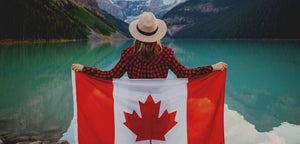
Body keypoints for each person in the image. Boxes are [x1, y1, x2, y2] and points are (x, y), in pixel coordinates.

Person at [72, 12, 227, 78]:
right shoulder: (166, 53)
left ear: (137, 34)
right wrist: (213, 67)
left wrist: (84, 69)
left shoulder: (128, 54)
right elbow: (184, 74)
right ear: (156, 34)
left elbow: (110, 75)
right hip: (160, 104)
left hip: (135, 105)